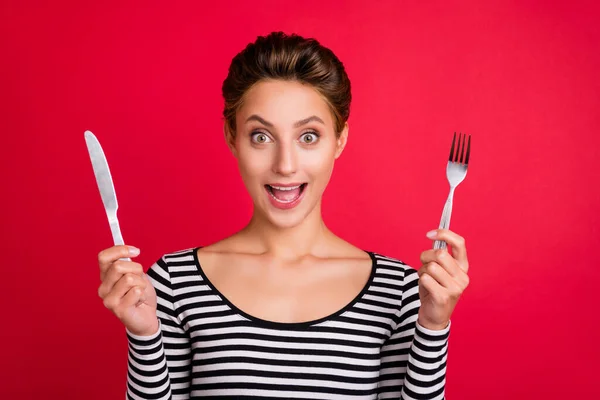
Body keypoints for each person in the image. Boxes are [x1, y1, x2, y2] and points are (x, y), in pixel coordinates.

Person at [96, 31, 470, 400]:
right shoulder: (174, 285)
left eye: (308, 136)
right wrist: (145, 337)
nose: (285, 166)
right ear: (232, 137)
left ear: (339, 140)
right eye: (261, 136)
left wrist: (433, 328)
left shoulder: (401, 291)